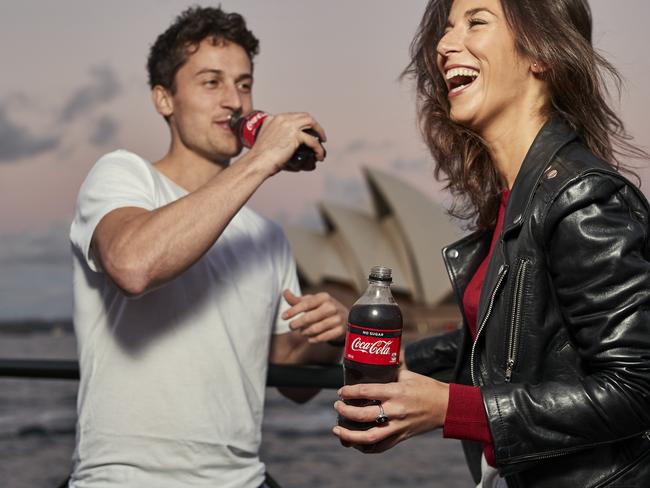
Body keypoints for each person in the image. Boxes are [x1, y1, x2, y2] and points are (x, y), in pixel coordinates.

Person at [333, 0, 650, 486]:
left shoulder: (581, 197)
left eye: (476, 21)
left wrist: (449, 408)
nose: (443, 45)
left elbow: (637, 387)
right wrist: (399, 366)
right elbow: (512, 343)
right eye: (446, 28)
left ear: (539, 54)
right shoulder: (515, 198)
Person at [69, 6, 347, 488]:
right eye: (211, 82)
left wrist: (329, 338)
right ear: (164, 99)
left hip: (242, 479)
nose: (234, 102)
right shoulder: (123, 176)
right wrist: (260, 160)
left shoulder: (267, 235)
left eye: (244, 84)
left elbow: (288, 381)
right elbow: (133, 265)